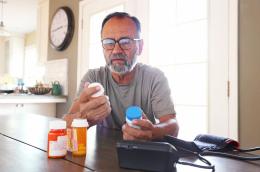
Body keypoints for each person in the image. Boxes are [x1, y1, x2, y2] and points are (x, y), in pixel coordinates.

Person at [63, 12, 179, 140]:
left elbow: (173, 125)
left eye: (125, 42)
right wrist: (84, 117)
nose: (117, 50)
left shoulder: (154, 77)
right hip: (102, 155)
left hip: (143, 153)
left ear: (140, 47)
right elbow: (65, 126)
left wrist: (152, 131)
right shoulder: (93, 78)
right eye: (109, 42)